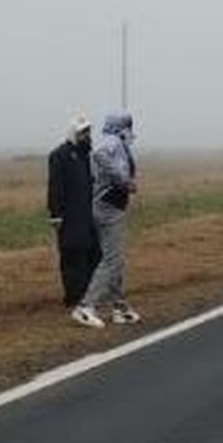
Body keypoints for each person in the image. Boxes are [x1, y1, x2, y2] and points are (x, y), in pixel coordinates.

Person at [73, 111, 141, 328]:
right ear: (120, 127)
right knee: (112, 260)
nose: (130, 130)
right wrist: (123, 180)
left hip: (114, 207)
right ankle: (86, 306)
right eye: (127, 126)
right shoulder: (112, 143)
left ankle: (119, 307)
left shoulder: (120, 145)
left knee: (117, 259)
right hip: (107, 207)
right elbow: (99, 155)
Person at [47, 115, 101, 309]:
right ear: (74, 134)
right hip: (68, 216)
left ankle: (88, 294)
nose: (87, 136)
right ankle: (73, 297)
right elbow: (55, 187)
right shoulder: (60, 155)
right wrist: (56, 214)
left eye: (88, 132)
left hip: (87, 214)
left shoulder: (86, 155)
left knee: (92, 253)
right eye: (83, 132)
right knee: (72, 256)